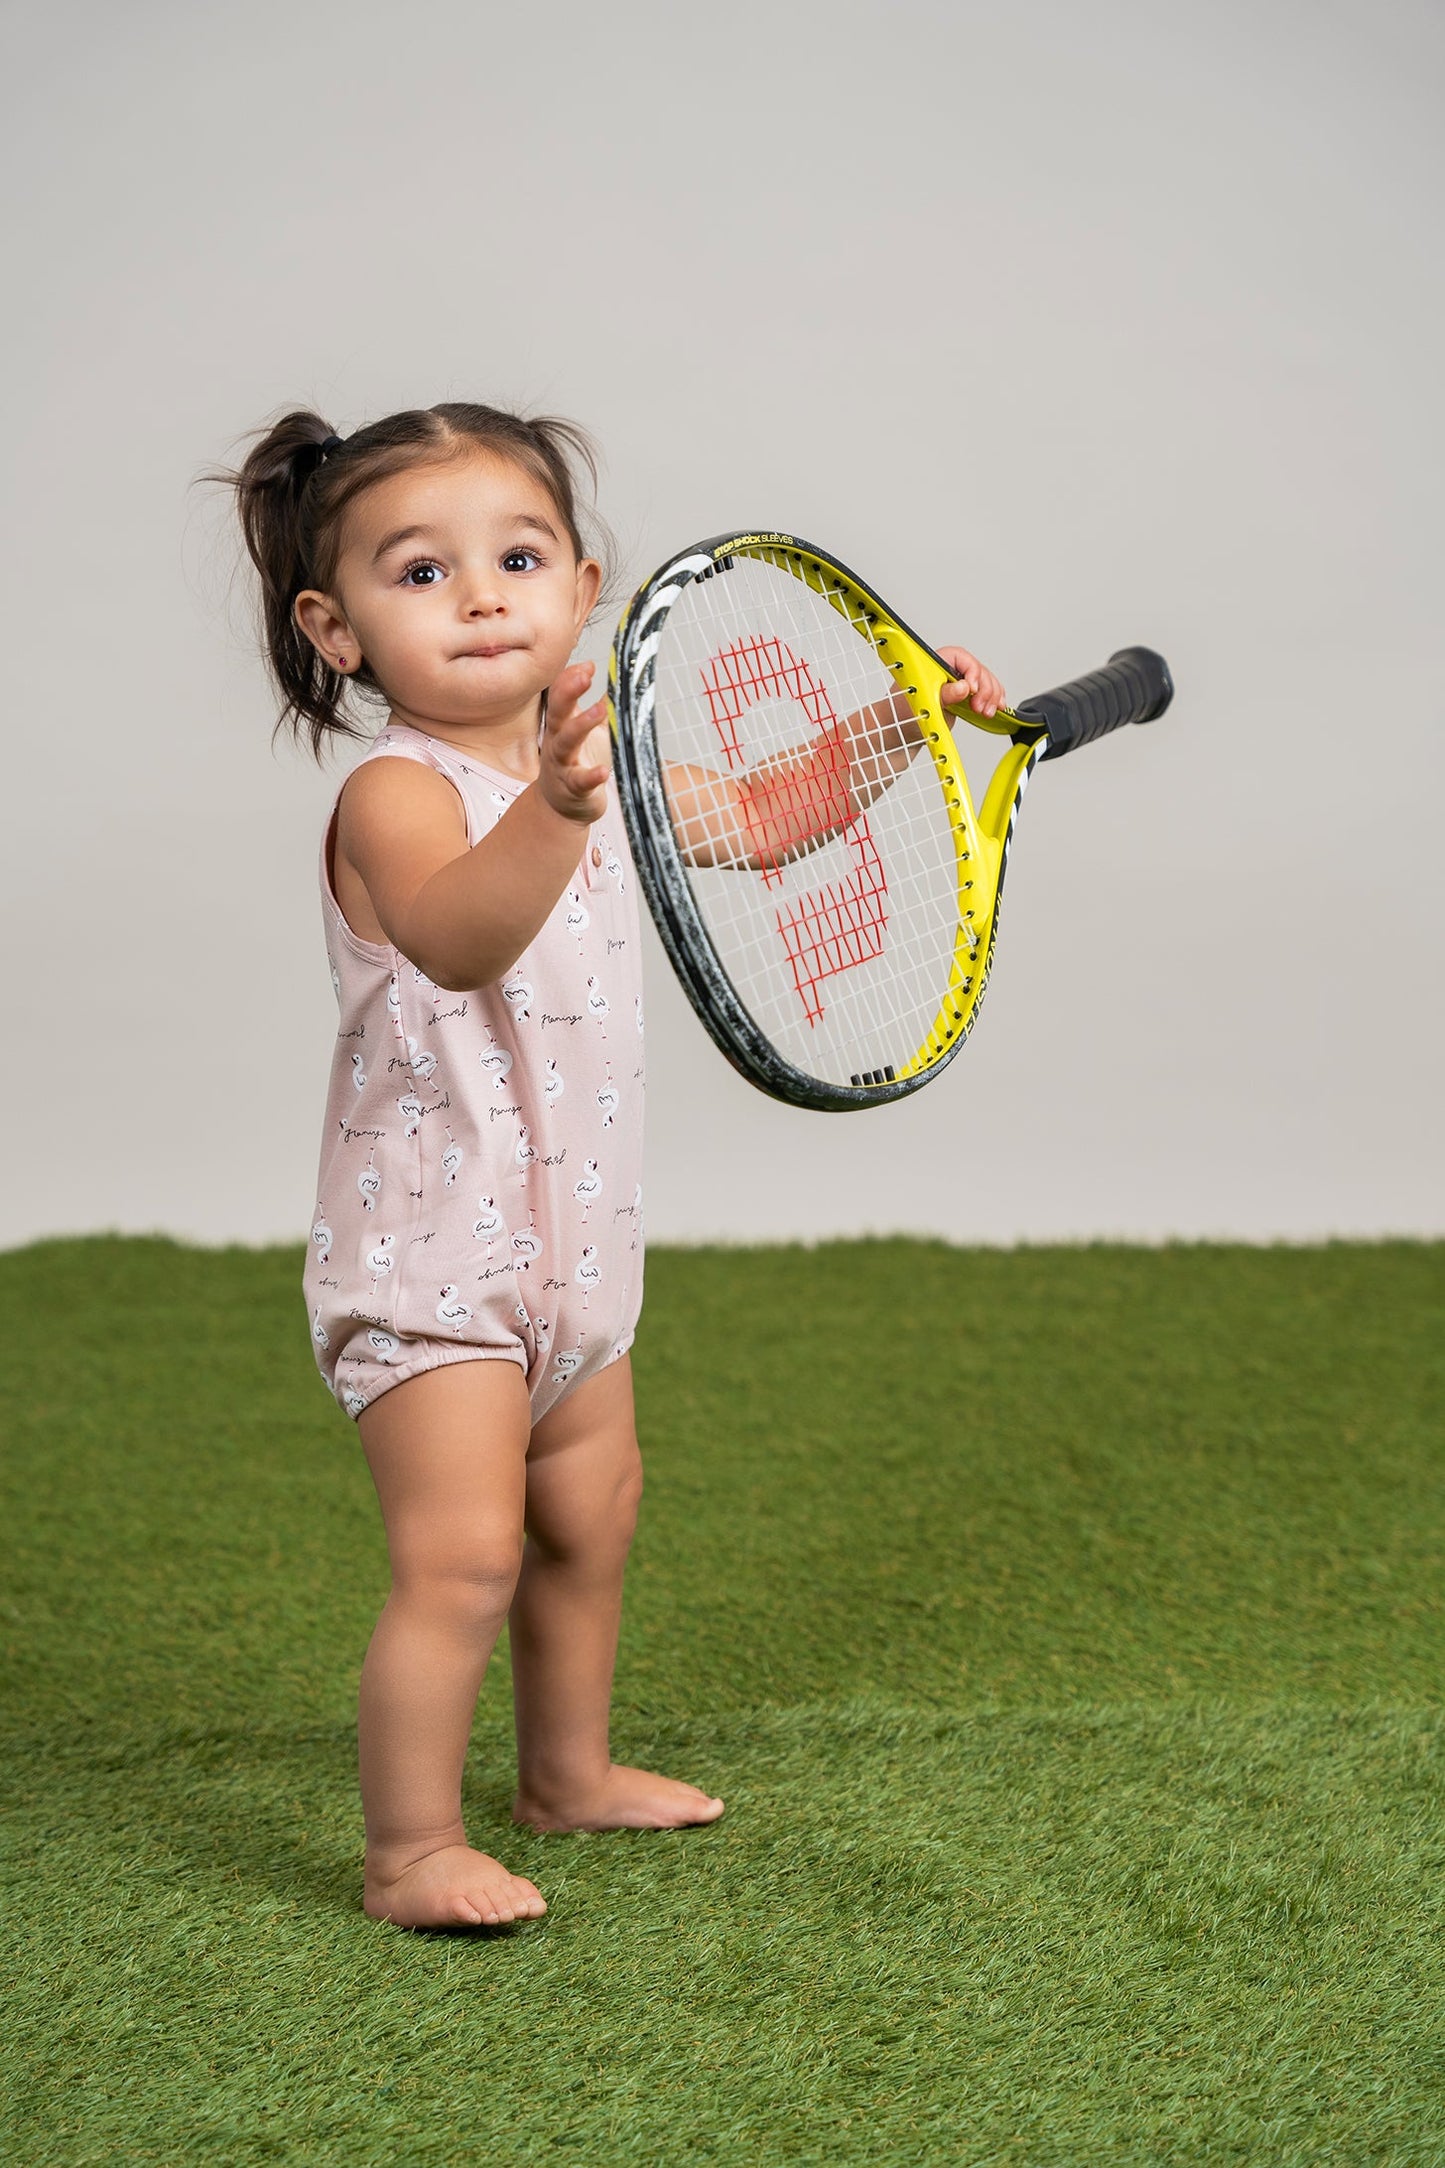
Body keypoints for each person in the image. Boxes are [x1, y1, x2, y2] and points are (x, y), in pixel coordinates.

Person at [223, 402, 1005, 1931]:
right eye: (421, 573)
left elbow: (772, 822)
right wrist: (565, 809)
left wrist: (896, 724)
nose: (482, 596)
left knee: (593, 1516)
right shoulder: (396, 796)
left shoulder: (601, 773)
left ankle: (565, 1774)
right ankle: (408, 1854)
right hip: (435, 1261)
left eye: (517, 558)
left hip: (577, 1248)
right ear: (337, 629)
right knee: (463, 1559)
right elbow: (458, 930)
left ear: (584, 587)